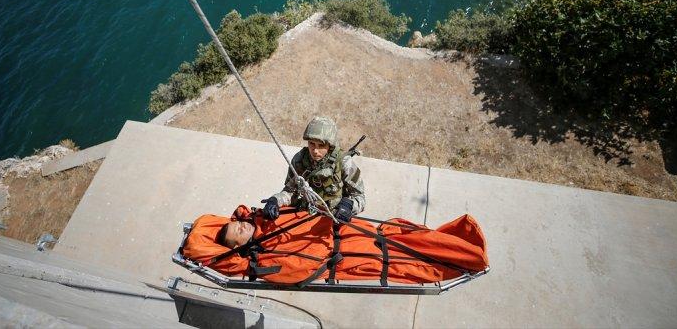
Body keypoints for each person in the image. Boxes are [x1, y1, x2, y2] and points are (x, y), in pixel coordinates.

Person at [182, 205, 488, 285]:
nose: (242, 225)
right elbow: (299, 268)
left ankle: (461, 247)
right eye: (239, 231)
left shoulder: (265, 216)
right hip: (343, 252)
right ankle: (465, 256)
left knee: (404, 236)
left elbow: (304, 209)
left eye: (237, 223)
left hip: (346, 230)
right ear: (243, 244)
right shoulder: (263, 256)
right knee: (404, 258)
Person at [261, 115, 365, 223]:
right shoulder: (300, 160)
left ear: (330, 145)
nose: (315, 150)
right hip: (306, 214)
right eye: (311, 144)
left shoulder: (344, 163)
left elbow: (360, 198)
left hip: (335, 217)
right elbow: (290, 192)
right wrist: (276, 200)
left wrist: (349, 207)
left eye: (321, 145)